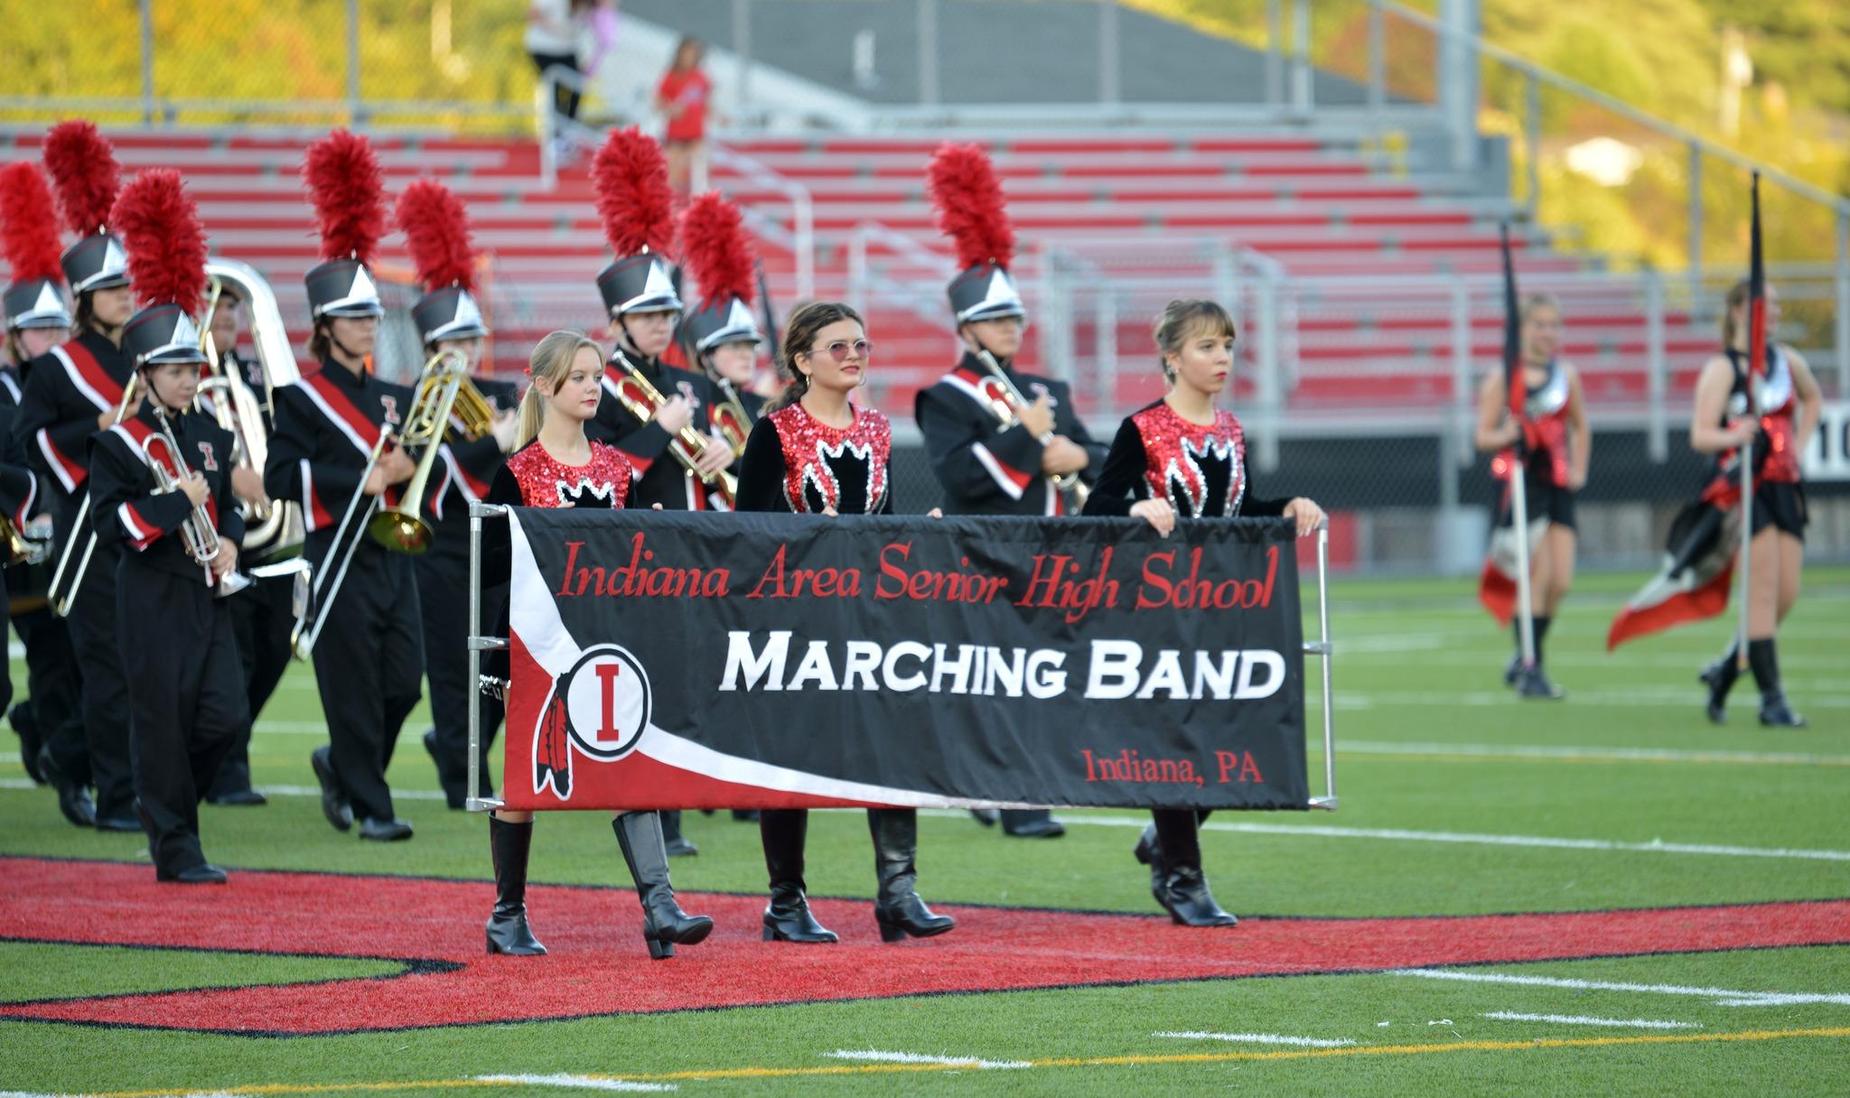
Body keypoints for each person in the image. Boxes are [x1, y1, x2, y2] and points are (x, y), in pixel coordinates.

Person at [1084, 299, 1325, 928]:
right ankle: (1183, 877)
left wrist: (1289, 506)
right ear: (1172, 358)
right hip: (1159, 609)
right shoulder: (1142, 429)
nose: (1221, 359)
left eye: (1226, 346)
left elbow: (1238, 508)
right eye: (1206, 347)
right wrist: (1134, 509)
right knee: (1177, 737)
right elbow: (1096, 508)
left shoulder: (1232, 429)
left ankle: (1166, 835)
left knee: (1234, 734)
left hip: (1228, 605)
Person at [483, 329, 713, 959]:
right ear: (545, 386)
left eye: (596, 376)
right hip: (536, 644)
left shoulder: (615, 467)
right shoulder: (517, 473)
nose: (592, 387)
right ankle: (508, 915)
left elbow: (632, 561)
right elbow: (493, 568)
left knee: (632, 764)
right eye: (579, 377)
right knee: (525, 780)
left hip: (609, 645)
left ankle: (659, 906)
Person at [736, 301, 956, 946]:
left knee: (893, 745)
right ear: (802, 361)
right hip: (794, 620)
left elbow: (881, 525)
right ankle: (785, 903)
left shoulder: (880, 428)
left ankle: (899, 892)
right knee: (791, 759)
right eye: (837, 346)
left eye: (860, 344)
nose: (854, 355)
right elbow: (748, 536)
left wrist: (918, 537)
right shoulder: (773, 432)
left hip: (870, 618)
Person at [914, 144, 1099, 839]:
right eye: (998, 322)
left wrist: (1072, 449)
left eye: (1016, 320)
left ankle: (1029, 791)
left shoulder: (1047, 389)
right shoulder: (945, 396)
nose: (1011, 332)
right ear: (966, 330)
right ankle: (1009, 796)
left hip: (1054, 548)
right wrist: (1025, 439)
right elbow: (960, 477)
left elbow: (1101, 458)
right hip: (986, 551)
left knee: (1048, 677)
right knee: (997, 680)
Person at [264, 130, 422, 841]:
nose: (368, 325)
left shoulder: (392, 392)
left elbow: (413, 459)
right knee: (355, 688)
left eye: (370, 315)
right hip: (338, 555)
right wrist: (362, 477)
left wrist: (410, 466)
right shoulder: (299, 398)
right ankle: (372, 807)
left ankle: (344, 767)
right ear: (325, 327)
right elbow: (278, 476)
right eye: (355, 317)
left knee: (403, 681)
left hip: (394, 551)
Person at [88, 181, 247, 882]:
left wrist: (233, 533)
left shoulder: (211, 432)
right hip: (151, 595)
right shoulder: (121, 443)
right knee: (161, 723)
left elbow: (232, 506)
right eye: (178, 370)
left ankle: (180, 812)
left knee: (223, 716)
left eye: (194, 367)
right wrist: (176, 504)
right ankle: (175, 847)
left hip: (207, 591)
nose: (191, 378)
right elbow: (112, 523)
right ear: (147, 375)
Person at [585, 129, 734, 855]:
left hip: (695, 544)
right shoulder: (598, 383)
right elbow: (598, 470)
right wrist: (659, 432)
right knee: (645, 684)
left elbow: (712, 455)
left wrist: (722, 447)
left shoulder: (693, 381)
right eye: (647, 316)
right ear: (617, 322)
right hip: (636, 549)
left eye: (666, 315)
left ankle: (678, 808)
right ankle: (654, 818)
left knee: (689, 683)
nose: (660, 325)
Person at [17, 121, 138, 832]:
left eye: (127, 284)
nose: (125, 295)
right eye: (110, 288)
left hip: (142, 533)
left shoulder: (148, 356)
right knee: (108, 671)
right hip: (86, 533)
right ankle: (116, 794)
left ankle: (71, 756)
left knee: (143, 674)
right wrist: (92, 434)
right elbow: (29, 441)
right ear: (84, 300)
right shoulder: (60, 366)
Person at [396, 179, 522, 809]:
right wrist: (490, 444)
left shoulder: (502, 392)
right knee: (451, 667)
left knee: (501, 668)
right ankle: (462, 780)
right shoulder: (413, 400)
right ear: (430, 349)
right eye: (451, 345)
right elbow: (431, 474)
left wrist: (506, 439)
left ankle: (457, 748)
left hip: (498, 544)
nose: (463, 355)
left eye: (469, 342)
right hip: (442, 545)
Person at [1690, 280, 1820, 726]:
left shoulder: (1787, 362)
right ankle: (1773, 701)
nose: (1778, 311)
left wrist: (1798, 446)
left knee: (1785, 595)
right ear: (1740, 310)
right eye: (1769, 304)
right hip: (1745, 486)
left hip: (1785, 485)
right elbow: (1700, 433)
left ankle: (1725, 672)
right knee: (1761, 593)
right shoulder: (1723, 369)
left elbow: (1812, 398)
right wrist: (1733, 435)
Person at [0, 159, 80, 795]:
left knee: (71, 655)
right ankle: (54, 747)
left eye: (58, 325)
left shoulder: (73, 383)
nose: (51, 338)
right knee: (49, 654)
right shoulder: (5, 386)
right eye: (38, 329)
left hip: (72, 544)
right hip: (21, 550)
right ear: (13, 337)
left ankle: (49, 741)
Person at [1472, 293, 1588, 700]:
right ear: (1522, 330)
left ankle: (1526, 653)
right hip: (1521, 484)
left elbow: (1580, 426)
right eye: (1539, 324)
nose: (1547, 333)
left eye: (1554, 325)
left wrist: (1579, 469)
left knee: (1561, 579)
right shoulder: (1504, 378)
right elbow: (1483, 435)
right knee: (1535, 577)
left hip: (1557, 484)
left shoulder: (1566, 375)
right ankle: (1532, 667)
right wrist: (1507, 434)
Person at [199, 282, 279, 807]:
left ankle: (228, 754)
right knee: (238, 656)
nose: (226, 314)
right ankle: (230, 772)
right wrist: (234, 477)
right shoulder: (187, 379)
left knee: (274, 646)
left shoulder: (250, 374)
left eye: (231, 305)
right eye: (215, 305)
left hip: (268, 534)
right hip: (217, 533)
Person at [656, 36, 711, 195]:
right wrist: (670, 109)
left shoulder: (701, 77)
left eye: (693, 53)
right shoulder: (671, 76)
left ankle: (699, 204)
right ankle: (668, 204)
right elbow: (658, 101)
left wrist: (717, 116)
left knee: (700, 172)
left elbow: (706, 101)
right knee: (673, 172)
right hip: (676, 133)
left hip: (696, 132)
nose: (689, 57)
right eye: (686, 53)